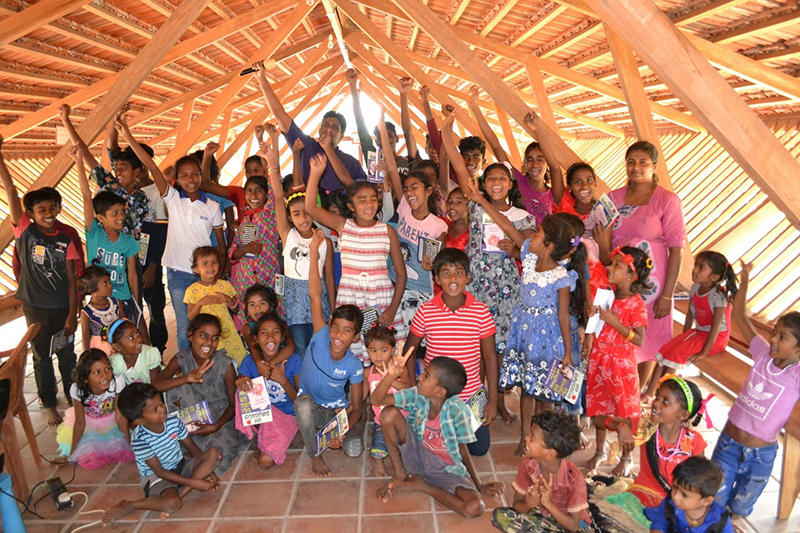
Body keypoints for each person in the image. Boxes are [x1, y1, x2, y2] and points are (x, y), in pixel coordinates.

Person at [440, 109, 536, 422]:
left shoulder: (524, 217)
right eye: (490, 178)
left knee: (497, 349)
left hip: (507, 291)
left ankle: (497, 401)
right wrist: (447, 128)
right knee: (476, 348)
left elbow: (531, 252)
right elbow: (456, 164)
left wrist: (516, 252)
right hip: (478, 285)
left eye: (502, 179)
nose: (496, 182)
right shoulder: (476, 207)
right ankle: (477, 401)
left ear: (510, 184)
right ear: (484, 182)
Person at [481, 202, 585, 456]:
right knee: (528, 390)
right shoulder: (529, 257)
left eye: (537, 234)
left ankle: (543, 439)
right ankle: (524, 436)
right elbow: (506, 225)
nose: (531, 235)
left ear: (548, 246)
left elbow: (562, 315)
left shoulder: (561, 276)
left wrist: (568, 354)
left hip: (547, 341)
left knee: (547, 396)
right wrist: (481, 201)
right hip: (524, 335)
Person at [117, 118, 226, 351]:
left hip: (206, 274)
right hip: (178, 274)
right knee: (185, 326)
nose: (190, 180)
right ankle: (189, 375)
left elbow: (221, 246)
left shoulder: (213, 208)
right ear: (177, 179)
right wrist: (127, 133)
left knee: (210, 325)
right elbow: (152, 166)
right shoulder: (173, 199)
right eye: (184, 175)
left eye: (195, 174)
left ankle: (211, 371)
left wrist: (221, 273)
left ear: (200, 175)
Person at [594, 141, 686, 397]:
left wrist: (667, 295)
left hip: (652, 287)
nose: (636, 167)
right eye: (631, 162)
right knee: (617, 331)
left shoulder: (667, 200)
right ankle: (617, 390)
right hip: (619, 281)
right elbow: (605, 243)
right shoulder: (613, 198)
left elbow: (676, 250)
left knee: (648, 338)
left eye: (643, 162)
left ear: (654, 166)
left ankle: (637, 393)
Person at [0, 134, 79, 426]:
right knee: (42, 357)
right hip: (36, 307)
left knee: (67, 354)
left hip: (62, 308)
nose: (48, 213)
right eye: (41, 210)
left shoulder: (65, 237)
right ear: (30, 215)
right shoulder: (25, 232)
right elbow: (10, 188)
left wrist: (73, 312)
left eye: (52, 208)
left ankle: (75, 400)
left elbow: (71, 280)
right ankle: (48, 403)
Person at [711, 261, 800, 520]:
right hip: (728, 444)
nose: (773, 339)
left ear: (798, 350)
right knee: (714, 502)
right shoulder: (762, 353)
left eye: (782, 337)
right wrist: (745, 279)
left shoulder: (796, 374)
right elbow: (739, 316)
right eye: (775, 333)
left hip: (760, 456)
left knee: (738, 508)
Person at [371, 351, 504, 517]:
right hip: (416, 453)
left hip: (443, 469)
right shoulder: (417, 395)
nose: (419, 377)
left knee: (475, 507)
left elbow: (462, 448)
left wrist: (478, 484)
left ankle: (423, 486)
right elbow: (376, 400)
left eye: (426, 376)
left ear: (440, 391)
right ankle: (400, 473)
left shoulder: (458, 411)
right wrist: (390, 377)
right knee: (388, 414)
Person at [304, 152, 407, 364]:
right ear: (351, 206)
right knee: (354, 353)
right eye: (362, 200)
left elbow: (401, 274)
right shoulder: (344, 226)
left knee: (384, 349)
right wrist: (315, 174)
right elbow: (310, 208)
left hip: (382, 299)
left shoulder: (387, 230)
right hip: (351, 298)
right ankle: (358, 392)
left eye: (373, 199)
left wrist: (393, 308)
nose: (369, 204)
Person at [405, 247, 499, 457]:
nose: (453, 278)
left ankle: (451, 429)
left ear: (467, 277)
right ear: (437, 279)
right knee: (432, 449)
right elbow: (409, 352)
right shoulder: (426, 310)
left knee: (479, 449)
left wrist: (492, 400)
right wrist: (415, 390)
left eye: (458, 272)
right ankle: (439, 426)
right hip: (435, 395)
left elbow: (490, 357)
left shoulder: (481, 312)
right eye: (446, 273)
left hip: (470, 394)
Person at [294, 230, 365, 476]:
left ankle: (328, 434)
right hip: (312, 406)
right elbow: (315, 293)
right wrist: (314, 251)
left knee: (354, 449)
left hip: (336, 412)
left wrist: (339, 430)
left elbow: (357, 408)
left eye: (346, 331)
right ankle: (315, 452)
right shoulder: (321, 334)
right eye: (336, 327)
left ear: (355, 337)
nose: (337, 335)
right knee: (302, 405)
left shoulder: (354, 366)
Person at [104, 383, 222, 526]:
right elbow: (160, 472)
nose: (162, 409)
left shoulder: (173, 421)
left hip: (180, 464)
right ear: (140, 421)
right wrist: (194, 482)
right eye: (155, 409)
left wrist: (210, 471)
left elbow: (192, 448)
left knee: (215, 454)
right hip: (156, 476)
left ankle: (180, 492)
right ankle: (130, 505)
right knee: (173, 504)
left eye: (161, 403)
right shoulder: (140, 439)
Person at [262, 139, 336, 355]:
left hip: (319, 297)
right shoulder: (288, 235)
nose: (302, 218)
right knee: (301, 347)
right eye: (296, 214)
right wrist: (271, 164)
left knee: (321, 346)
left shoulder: (325, 241)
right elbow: (277, 198)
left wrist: (332, 308)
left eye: (306, 211)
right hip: (293, 300)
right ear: (290, 217)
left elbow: (329, 278)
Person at [378, 110, 447, 336]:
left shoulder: (438, 226)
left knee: (418, 344)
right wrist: (380, 128)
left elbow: (438, 262)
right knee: (397, 341)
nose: (408, 193)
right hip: (395, 284)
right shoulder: (404, 207)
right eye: (406, 189)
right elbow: (390, 166)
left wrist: (432, 265)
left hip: (421, 291)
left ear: (428, 191)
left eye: (414, 188)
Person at [584, 246, 651, 476]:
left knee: (624, 413)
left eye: (617, 266)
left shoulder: (636, 304)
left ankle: (627, 457)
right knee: (598, 408)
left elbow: (640, 340)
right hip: (600, 359)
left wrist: (614, 321)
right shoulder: (607, 294)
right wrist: (594, 316)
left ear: (632, 277)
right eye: (612, 263)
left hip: (621, 366)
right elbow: (597, 324)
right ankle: (599, 450)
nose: (610, 268)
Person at [153, 314, 249, 474]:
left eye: (214, 338)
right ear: (191, 336)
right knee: (174, 387)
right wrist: (186, 379)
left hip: (219, 420)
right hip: (191, 419)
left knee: (219, 452)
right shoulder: (181, 358)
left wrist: (215, 427)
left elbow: (233, 405)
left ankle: (195, 468)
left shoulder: (225, 364)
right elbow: (156, 385)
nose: (209, 343)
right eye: (203, 336)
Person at [253, 60, 367, 192]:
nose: (328, 129)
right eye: (325, 125)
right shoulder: (305, 145)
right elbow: (280, 115)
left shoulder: (351, 163)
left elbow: (361, 193)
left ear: (341, 136)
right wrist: (261, 79)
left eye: (335, 127)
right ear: (319, 129)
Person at [71, 145, 146, 340]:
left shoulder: (128, 242)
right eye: (115, 214)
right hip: (100, 301)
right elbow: (87, 197)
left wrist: (137, 303)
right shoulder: (94, 233)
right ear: (100, 218)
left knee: (127, 340)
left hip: (123, 297)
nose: (121, 217)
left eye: (122, 212)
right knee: (103, 341)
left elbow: (132, 273)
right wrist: (79, 161)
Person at [647, 251, 738, 399]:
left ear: (714, 277)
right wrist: (685, 335)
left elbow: (715, 328)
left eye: (701, 268)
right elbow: (690, 312)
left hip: (715, 339)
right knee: (666, 349)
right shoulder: (695, 288)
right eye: (696, 265)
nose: (695, 270)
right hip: (699, 332)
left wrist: (703, 352)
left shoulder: (718, 296)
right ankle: (650, 393)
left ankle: (664, 395)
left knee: (675, 355)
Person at [492, 411, 591, 532]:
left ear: (550, 452)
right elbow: (517, 505)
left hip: (569, 524)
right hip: (542, 514)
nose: (527, 438)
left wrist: (548, 503)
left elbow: (573, 526)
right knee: (499, 515)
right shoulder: (528, 463)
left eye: (532, 437)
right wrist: (529, 504)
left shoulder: (574, 479)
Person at [468, 88, 552, 225]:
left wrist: (538, 129)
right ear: (524, 163)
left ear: (547, 162)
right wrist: (475, 109)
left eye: (540, 159)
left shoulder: (554, 193)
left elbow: (554, 166)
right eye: (529, 160)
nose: (535, 164)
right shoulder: (519, 181)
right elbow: (495, 146)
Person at [224, 129, 281, 311]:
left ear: (266, 195)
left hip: (268, 277)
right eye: (249, 191)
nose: (253, 195)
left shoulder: (270, 213)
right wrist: (245, 249)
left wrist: (269, 143)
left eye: (258, 191)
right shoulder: (245, 222)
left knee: (271, 318)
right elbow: (232, 253)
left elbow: (275, 178)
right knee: (249, 321)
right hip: (245, 279)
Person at [235, 313, 302, 470]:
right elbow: (241, 387)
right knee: (239, 391)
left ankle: (265, 434)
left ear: (282, 338)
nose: (270, 337)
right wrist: (240, 382)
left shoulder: (294, 360)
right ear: (256, 339)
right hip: (261, 414)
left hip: (287, 416)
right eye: (264, 332)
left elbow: (300, 402)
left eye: (275, 332)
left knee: (265, 461)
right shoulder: (249, 361)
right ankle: (261, 430)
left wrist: (283, 381)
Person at [55, 349, 134, 469]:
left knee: (119, 445)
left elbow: (120, 416)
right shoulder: (77, 390)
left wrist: (128, 446)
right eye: (97, 372)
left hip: (111, 421)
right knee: (88, 451)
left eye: (107, 369)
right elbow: (80, 423)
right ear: (85, 378)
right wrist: (72, 455)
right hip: (89, 424)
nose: (105, 375)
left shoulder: (117, 382)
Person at [184, 246, 247, 364]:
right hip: (207, 335)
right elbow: (191, 316)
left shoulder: (225, 285)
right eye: (205, 263)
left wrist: (229, 300)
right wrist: (200, 303)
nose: (210, 267)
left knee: (236, 362)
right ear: (196, 269)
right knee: (213, 363)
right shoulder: (192, 290)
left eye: (214, 262)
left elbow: (236, 310)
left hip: (227, 332)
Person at [364, 325, 411, 476]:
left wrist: (390, 379)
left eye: (384, 350)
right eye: (373, 350)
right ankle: (379, 464)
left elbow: (409, 388)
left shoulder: (400, 369)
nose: (378, 356)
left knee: (409, 447)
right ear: (367, 351)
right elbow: (366, 396)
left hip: (404, 418)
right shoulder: (367, 373)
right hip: (381, 421)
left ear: (392, 350)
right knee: (378, 449)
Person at [646, 456, 733, 533]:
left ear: (706, 501)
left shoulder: (720, 522)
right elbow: (660, 520)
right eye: (675, 487)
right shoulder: (670, 503)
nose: (675, 496)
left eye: (684, 495)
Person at [78, 265, 125, 355]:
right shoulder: (87, 312)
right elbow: (85, 336)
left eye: (109, 282)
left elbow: (124, 322)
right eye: (105, 283)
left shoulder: (115, 302)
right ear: (93, 290)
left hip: (118, 345)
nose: (110, 285)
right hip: (100, 349)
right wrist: (87, 356)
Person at [108, 319, 162, 386]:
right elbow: (120, 388)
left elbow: (157, 386)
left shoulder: (149, 354)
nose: (139, 339)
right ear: (117, 347)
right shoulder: (116, 362)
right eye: (131, 337)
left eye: (138, 333)